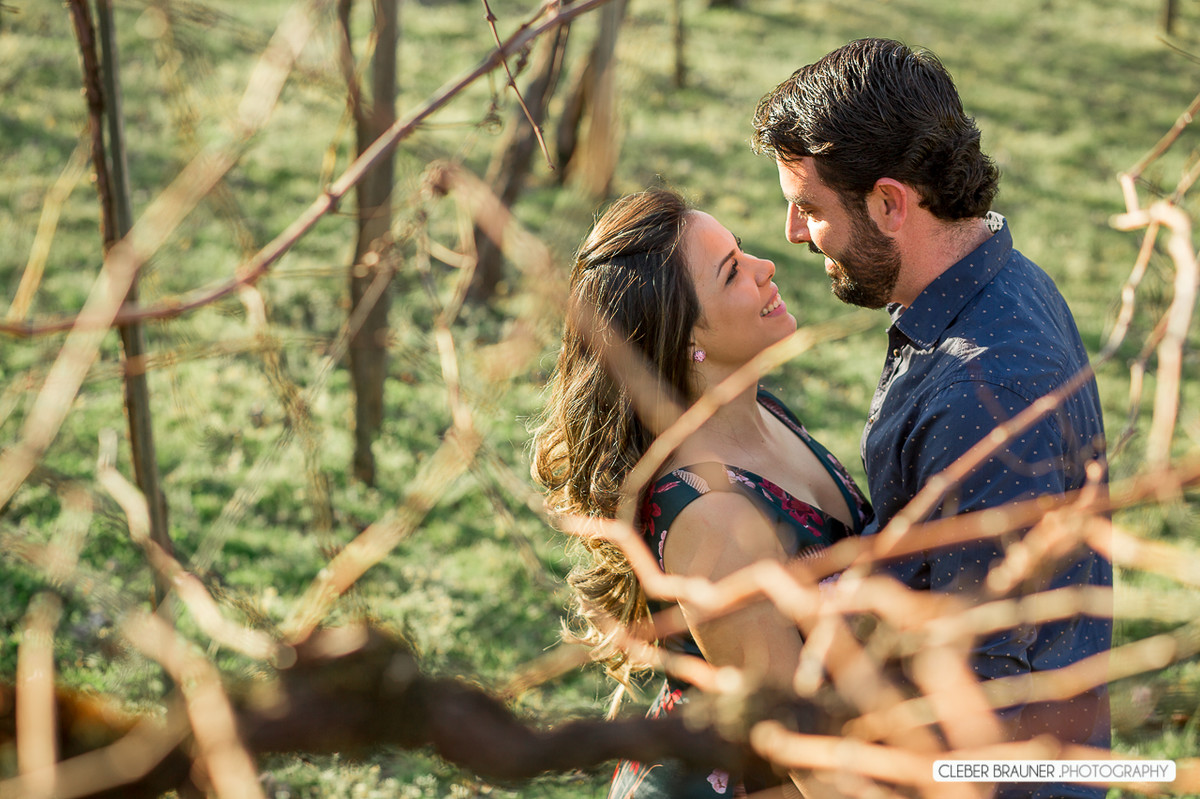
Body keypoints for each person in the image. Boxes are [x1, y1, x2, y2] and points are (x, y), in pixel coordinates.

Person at [751, 38, 1112, 799]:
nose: (791, 232)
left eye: (809, 207)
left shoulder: (986, 388)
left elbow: (981, 685)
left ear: (889, 202)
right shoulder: (991, 281)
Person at [531, 189, 871, 798]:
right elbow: (801, 749)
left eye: (740, 249)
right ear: (689, 339)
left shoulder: (765, 412)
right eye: (733, 271)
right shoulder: (710, 517)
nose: (766, 266)